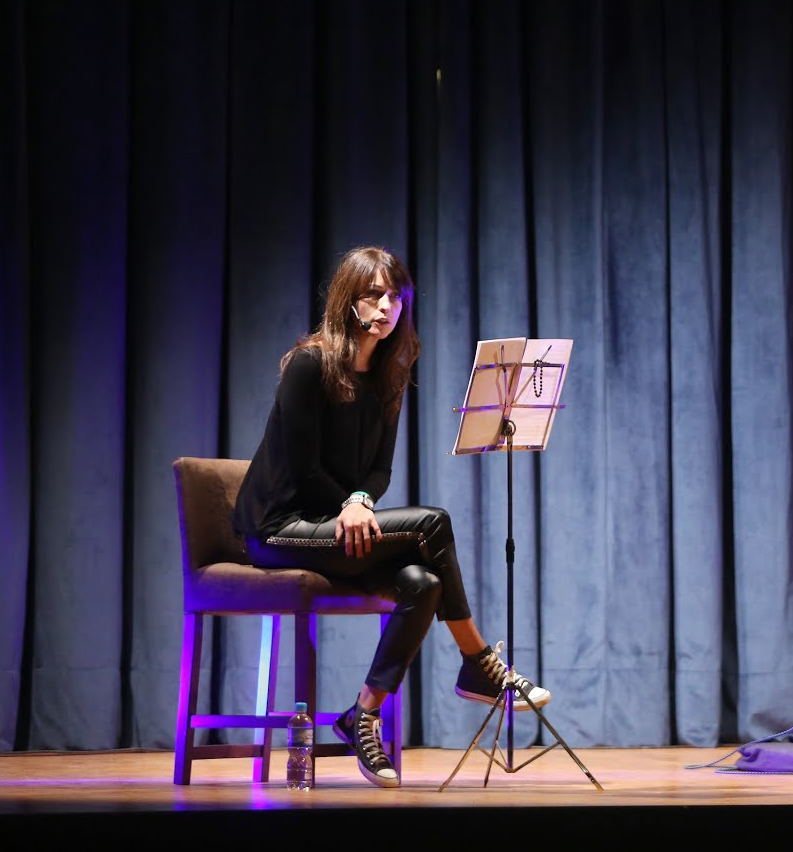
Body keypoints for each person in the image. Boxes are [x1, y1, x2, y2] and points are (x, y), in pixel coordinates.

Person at [231, 245, 552, 789]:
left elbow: (379, 471)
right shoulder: (309, 366)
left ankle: (362, 714)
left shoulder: (388, 374)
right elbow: (305, 470)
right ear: (347, 300)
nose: (386, 306)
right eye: (373, 294)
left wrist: (361, 498)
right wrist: (351, 503)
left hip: (339, 524)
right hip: (281, 528)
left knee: (423, 581)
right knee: (432, 523)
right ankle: (478, 662)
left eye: (395, 297)